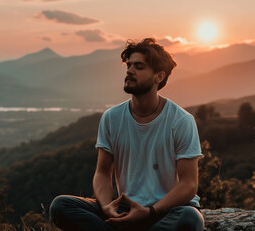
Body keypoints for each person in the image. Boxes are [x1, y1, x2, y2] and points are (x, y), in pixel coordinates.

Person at [49, 38, 205, 231]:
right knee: (61, 205)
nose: (129, 70)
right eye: (129, 65)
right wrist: (107, 208)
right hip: (125, 207)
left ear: (159, 76)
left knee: (190, 217)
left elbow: (189, 184)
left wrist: (150, 212)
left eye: (139, 67)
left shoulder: (180, 120)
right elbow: (102, 173)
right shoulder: (112, 118)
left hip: (164, 210)